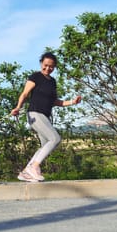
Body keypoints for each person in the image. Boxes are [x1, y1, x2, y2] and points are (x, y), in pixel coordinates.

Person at [11, 52, 81, 182]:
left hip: (45, 116)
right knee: (55, 138)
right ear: (41, 63)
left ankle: (26, 172)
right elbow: (25, 93)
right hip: (35, 114)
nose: (48, 68)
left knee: (45, 145)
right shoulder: (36, 77)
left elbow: (55, 102)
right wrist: (18, 107)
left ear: (54, 67)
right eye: (45, 65)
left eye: (51, 66)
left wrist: (73, 102)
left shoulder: (52, 82)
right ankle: (34, 167)